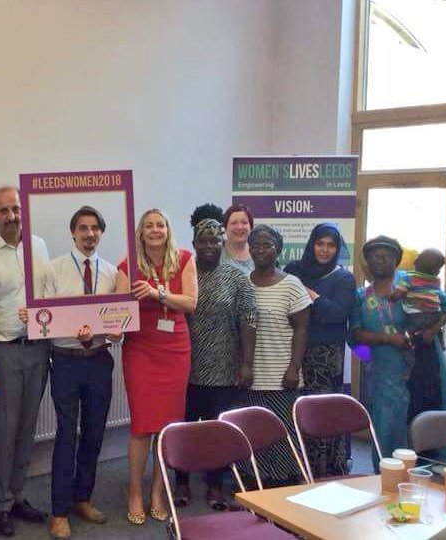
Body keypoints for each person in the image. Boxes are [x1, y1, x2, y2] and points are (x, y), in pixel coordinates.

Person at [0, 186, 50, 535]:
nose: (12, 215)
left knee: (27, 428)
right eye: (5, 210)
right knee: (4, 430)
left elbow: (47, 294)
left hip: (37, 347)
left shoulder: (40, 245)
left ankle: (17, 496)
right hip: (2, 350)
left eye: (16, 208)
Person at [41, 206, 119, 539]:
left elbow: (119, 322)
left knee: (94, 433)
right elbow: (43, 317)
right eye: (83, 228)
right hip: (67, 361)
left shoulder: (112, 273)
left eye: (95, 228)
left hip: (100, 360)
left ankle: (82, 498)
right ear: (73, 232)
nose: (89, 234)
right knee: (66, 435)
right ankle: (59, 511)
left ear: (101, 233)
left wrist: (115, 331)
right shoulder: (53, 269)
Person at [115, 208, 197, 525]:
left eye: (160, 224)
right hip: (140, 350)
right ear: (141, 232)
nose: (155, 230)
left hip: (175, 349)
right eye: (148, 225)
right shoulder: (129, 265)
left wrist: (158, 293)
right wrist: (112, 325)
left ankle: (158, 492)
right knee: (140, 427)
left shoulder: (184, 259)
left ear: (168, 229)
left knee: (166, 427)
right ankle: (135, 490)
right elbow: (117, 309)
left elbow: (191, 302)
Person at [173, 204, 256, 509]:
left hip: (223, 366)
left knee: (216, 430)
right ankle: (180, 482)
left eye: (214, 241)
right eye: (202, 241)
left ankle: (214, 486)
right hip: (184, 365)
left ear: (223, 243)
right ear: (194, 244)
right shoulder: (183, 272)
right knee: (184, 427)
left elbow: (248, 320)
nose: (209, 246)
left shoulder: (237, 277)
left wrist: (246, 364)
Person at [351, 236, 446, 466]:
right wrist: (374, 359)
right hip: (385, 375)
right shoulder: (361, 297)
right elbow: (355, 338)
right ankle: (387, 484)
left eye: (387, 254)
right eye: (374, 254)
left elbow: (445, 309)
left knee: (429, 428)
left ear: (397, 260)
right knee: (388, 429)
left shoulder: (415, 282)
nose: (381, 258)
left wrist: (431, 331)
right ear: (366, 260)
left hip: (424, 368)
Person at [236, 225, 311, 487]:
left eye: (266, 245)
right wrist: (243, 366)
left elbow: (302, 329)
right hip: (250, 375)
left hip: (282, 375)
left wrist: (294, 368)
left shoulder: (292, 284)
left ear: (278, 249)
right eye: (254, 244)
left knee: (282, 432)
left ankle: (281, 485)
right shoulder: (242, 282)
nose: (259, 250)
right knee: (252, 430)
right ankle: (255, 483)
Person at [283, 222, 355, 479]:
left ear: (337, 249)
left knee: (321, 413)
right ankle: (293, 470)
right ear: (311, 244)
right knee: (293, 411)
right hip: (293, 351)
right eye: (320, 243)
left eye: (330, 245)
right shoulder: (295, 271)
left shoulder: (343, 278)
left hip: (326, 357)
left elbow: (338, 314)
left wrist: (312, 296)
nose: (324, 250)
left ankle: (323, 471)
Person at [389, 248, 446, 381]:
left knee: (405, 343)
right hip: (434, 317)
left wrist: (390, 297)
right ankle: (440, 344)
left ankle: (409, 369)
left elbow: (398, 295)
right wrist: (433, 330)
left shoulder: (407, 277)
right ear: (437, 271)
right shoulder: (436, 282)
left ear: (415, 262)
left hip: (416, 319)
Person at [222, 203, 255, 273]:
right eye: (234, 223)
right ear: (225, 227)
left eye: (244, 222)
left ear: (251, 227)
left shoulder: (259, 252)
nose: (239, 227)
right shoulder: (216, 252)